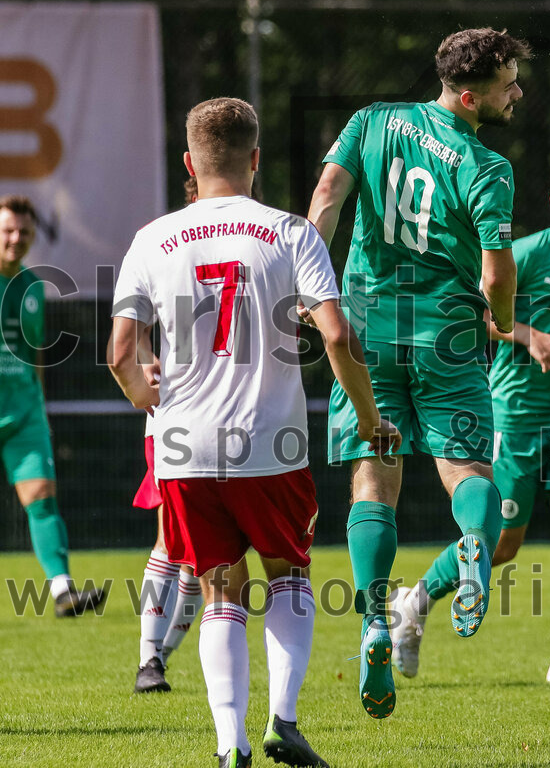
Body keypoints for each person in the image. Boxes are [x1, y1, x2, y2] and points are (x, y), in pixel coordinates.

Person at [109, 97, 399, 768]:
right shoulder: (290, 233)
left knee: (218, 588)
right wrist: (369, 415)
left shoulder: (152, 238)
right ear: (257, 159)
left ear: (189, 162)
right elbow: (334, 332)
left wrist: (145, 399)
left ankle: (229, 743)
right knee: (290, 574)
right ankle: (283, 720)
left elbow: (121, 349)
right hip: (272, 442)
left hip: (184, 447)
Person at [305, 27, 529, 719]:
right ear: (470, 95)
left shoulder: (371, 121)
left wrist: (312, 292)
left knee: (375, 479)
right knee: (471, 476)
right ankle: (470, 547)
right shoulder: (486, 166)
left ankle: (375, 619)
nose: (517, 92)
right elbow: (496, 270)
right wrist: (501, 315)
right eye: (508, 84)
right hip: (450, 337)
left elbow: (324, 202)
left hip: (368, 328)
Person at [391, 151, 550, 684]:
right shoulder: (526, 254)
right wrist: (526, 333)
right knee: (501, 546)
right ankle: (414, 601)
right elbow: (473, 311)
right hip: (512, 417)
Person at [0, 194, 106, 618]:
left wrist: (40, 404)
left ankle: (63, 592)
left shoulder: (31, 286)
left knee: (42, 497)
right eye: (7, 230)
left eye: (24, 232)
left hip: (23, 410)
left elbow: (35, 351)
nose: (16, 238)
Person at [130, 176, 202, 695]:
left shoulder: (257, 235)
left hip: (241, 415)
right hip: (177, 414)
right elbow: (127, 334)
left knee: (211, 556)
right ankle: (150, 659)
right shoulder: (164, 239)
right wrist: (141, 363)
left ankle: (158, 658)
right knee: (173, 539)